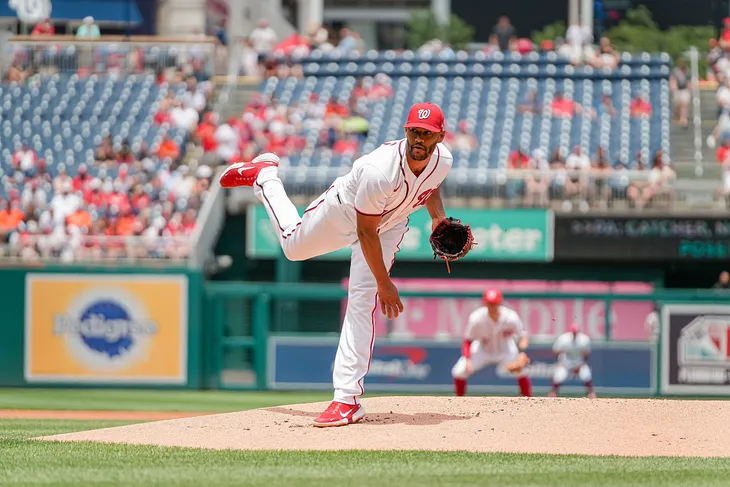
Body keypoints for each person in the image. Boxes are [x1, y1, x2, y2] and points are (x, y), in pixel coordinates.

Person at [219, 103, 454, 427]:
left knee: (361, 300)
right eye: (414, 130)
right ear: (405, 130)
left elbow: (431, 184)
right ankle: (266, 177)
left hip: (391, 221)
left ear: (439, 136)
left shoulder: (444, 160)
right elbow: (364, 232)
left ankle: (346, 400)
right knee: (292, 247)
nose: (419, 138)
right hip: (346, 213)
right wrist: (385, 284)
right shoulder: (379, 170)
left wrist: (438, 219)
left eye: (426, 133)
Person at [450, 289, 533, 398]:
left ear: (499, 303)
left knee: (522, 371)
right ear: (485, 303)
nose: (491, 306)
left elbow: (523, 336)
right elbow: (467, 341)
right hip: (482, 350)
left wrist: (522, 353)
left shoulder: (511, 317)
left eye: (494, 303)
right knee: (459, 371)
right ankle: (459, 401)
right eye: (489, 303)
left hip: (506, 350)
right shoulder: (477, 318)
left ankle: (530, 401)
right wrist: (468, 359)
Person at [548, 323, 596, 398]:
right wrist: (560, 362)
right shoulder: (563, 339)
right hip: (566, 361)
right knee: (559, 375)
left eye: (575, 332)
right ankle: (553, 392)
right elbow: (556, 351)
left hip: (578, 361)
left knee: (586, 374)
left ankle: (590, 393)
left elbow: (586, 354)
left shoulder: (584, 339)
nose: (574, 334)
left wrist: (581, 364)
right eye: (573, 332)